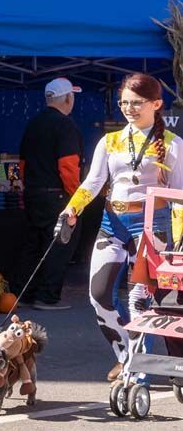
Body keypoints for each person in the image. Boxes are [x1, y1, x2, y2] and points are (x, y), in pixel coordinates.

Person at [61, 73, 183, 381]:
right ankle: (127, 357)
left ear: (156, 104)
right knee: (99, 295)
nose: (129, 108)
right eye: (124, 103)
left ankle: (150, 369)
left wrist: (179, 238)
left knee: (143, 301)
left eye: (137, 103)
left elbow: (180, 195)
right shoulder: (110, 141)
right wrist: (72, 208)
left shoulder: (173, 144)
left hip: (153, 227)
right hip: (112, 223)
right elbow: (93, 182)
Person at [13, 77, 84, 310]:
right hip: (57, 196)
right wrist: (77, 198)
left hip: (34, 193)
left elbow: (22, 164)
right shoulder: (65, 125)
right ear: (68, 98)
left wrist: (29, 186)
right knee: (59, 245)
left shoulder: (33, 123)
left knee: (33, 245)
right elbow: (68, 165)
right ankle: (47, 296)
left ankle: (23, 293)